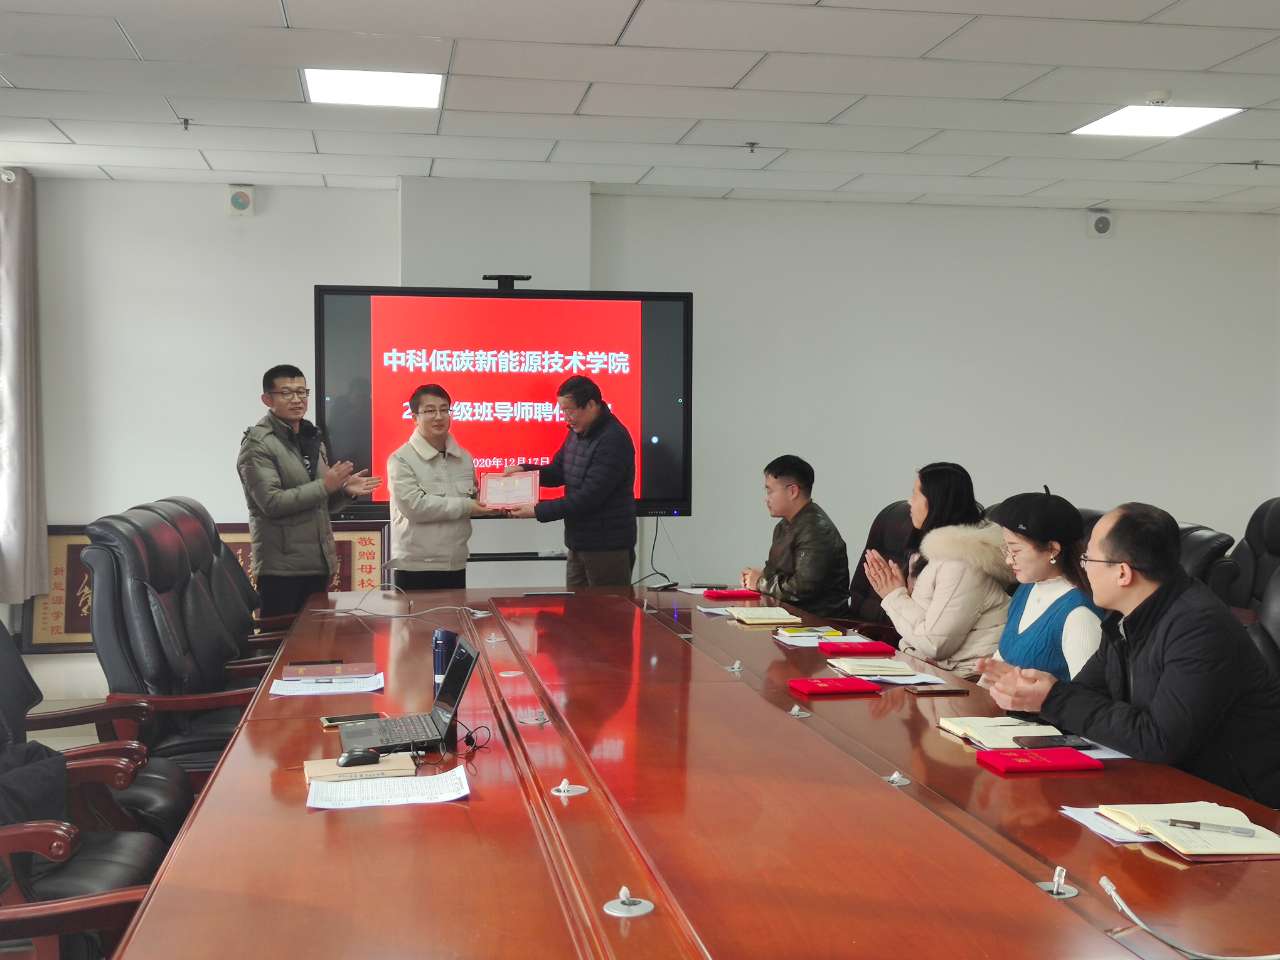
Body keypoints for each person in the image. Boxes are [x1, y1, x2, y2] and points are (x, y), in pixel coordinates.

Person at [979, 503, 1280, 807]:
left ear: (1122, 573)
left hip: (1239, 803)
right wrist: (1031, 697)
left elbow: (1160, 739)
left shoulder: (1200, 628)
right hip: (1161, 784)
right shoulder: (1126, 618)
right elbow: (1085, 693)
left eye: (1088, 559)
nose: (1083, 568)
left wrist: (1053, 699)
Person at [237, 364, 380, 617]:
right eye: (286, 393)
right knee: (283, 638)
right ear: (267, 399)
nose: (297, 399)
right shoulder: (258, 445)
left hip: (318, 562)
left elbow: (321, 503)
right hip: (281, 569)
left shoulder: (311, 438)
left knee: (316, 638)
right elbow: (272, 503)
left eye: (302, 392)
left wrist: (344, 492)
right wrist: (325, 485)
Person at [863, 462, 1013, 678]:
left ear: (935, 502)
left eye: (915, 494)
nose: (909, 502)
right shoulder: (934, 554)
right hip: (928, 669)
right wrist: (902, 593)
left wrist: (894, 596)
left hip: (963, 680)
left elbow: (934, 644)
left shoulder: (962, 563)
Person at [506, 375, 637, 587]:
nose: (566, 417)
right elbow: (558, 471)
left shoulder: (613, 439)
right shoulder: (578, 433)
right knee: (575, 607)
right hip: (578, 543)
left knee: (608, 607)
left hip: (607, 547)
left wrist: (537, 510)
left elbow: (589, 497)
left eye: (570, 410)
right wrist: (524, 471)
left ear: (591, 405)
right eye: (563, 411)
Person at [387, 384, 501, 590]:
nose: (439, 417)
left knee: (454, 613)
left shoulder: (463, 458)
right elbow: (414, 507)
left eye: (444, 409)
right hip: (415, 566)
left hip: (455, 562)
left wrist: (498, 502)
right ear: (414, 418)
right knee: (416, 614)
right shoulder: (401, 459)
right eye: (430, 410)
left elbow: (474, 498)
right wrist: (467, 506)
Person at [986, 488, 1102, 680]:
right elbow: (1006, 655)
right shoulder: (1027, 587)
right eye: (1006, 548)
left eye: (1015, 550)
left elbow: (1086, 694)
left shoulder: (1079, 615)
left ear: (1052, 550)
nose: (1008, 560)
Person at [739, 455, 850, 618]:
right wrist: (757, 577)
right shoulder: (783, 526)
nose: (766, 499)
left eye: (770, 491)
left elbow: (801, 589)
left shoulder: (816, 530)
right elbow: (776, 574)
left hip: (819, 623)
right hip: (791, 617)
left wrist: (760, 582)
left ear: (792, 491)